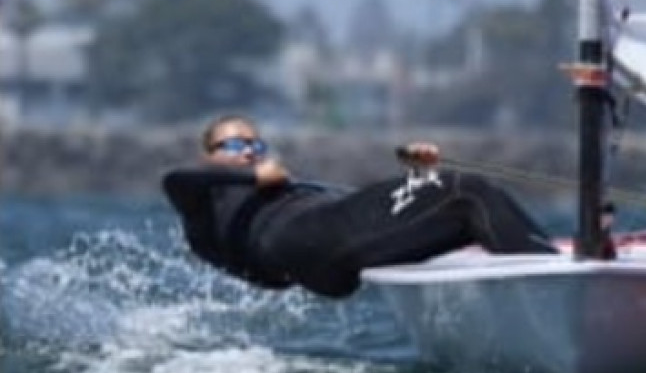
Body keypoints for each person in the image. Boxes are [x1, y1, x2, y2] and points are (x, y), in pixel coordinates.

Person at [162, 114, 557, 298]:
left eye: (254, 144)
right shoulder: (202, 202)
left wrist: (415, 184)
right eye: (233, 145)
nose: (247, 150)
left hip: (322, 242)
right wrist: (255, 178)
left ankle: (542, 261)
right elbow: (174, 179)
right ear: (207, 155)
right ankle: (555, 281)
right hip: (305, 240)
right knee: (466, 191)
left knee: (454, 211)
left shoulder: (272, 194)